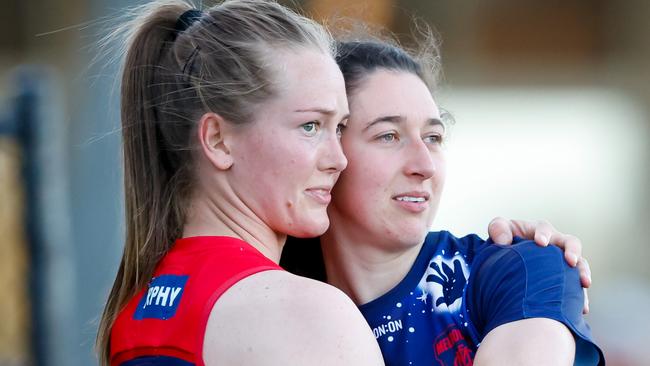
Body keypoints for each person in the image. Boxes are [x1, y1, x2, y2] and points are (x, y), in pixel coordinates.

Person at [95, 1, 388, 365]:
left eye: (340, 128)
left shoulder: (133, 316)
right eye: (310, 126)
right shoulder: (309, 315)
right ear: (218, 140)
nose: (338, 159)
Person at [281, 38, 604, 365]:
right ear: (328, 153)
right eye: (388, 136)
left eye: (433, 138)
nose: (425, 166)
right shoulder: (272, 307)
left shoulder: (523, 269)